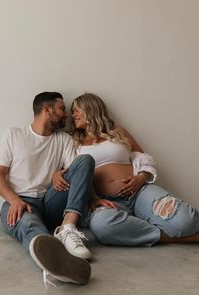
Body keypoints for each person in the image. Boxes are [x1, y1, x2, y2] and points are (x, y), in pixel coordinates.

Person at [0, 92, 95, 287]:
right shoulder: (14, 135)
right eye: (62, 109)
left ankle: (67, 227)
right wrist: (14, 200)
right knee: (29, 225)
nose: (67, 115)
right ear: (47, 110)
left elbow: (75, 171)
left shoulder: (63, 139)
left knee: (85, 161)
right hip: (21, 202)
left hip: (51, 201)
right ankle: (58, 262)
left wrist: (58, 173)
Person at [69, 93, 199, 246]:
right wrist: (93, 198)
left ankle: (143, 225)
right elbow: (75, 175)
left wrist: (141, 178)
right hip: (106, 202)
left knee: (187, 220)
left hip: (140, 193)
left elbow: (143, 158)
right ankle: (170, 237)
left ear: (90, 109)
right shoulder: (73, 141)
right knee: (102, 226)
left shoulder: (118, 131)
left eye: (77, 110)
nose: (73, 115)